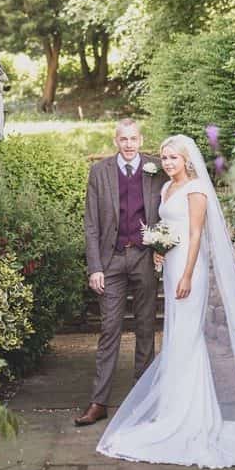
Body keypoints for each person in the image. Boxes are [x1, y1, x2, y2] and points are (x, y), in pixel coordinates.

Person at [95, 134, 235, 468]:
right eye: (165, 158)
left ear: (187, 160)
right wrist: (159, 251)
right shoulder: (167, 189)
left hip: (189, 271)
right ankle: (176, 409)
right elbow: (169, 228)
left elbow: (196, 235)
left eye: (174, 158)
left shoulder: (196, 190)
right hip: (170, 267)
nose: (168, 163)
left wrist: (185, 274)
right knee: (176, 335)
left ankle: (191, 417)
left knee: (187, 338)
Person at [75, 119, 168, 427]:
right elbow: (91, 224)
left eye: (133, 139)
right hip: (111, 260)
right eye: (123, 139)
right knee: (109, 329)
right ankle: (99, 402)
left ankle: (142, 399)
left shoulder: (157, 168)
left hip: (144, 258)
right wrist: (95, 267)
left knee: (145, 329)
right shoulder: (100, 172)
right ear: (116, 141)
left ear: (141, 140)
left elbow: (173, 204)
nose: (129, 144)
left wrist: (163, 248)